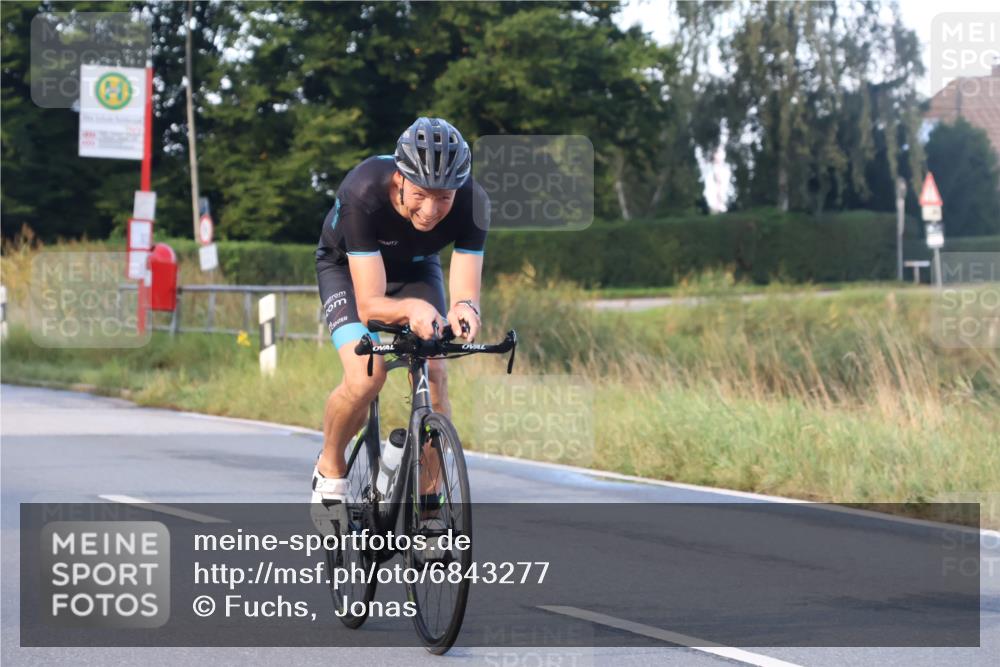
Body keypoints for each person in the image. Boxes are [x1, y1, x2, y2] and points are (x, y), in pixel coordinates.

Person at [311, 117, 488, 517]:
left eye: (444, 198)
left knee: (436, 372)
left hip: (417, 269)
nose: (431, 211)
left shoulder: (473, 202)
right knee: (366, 376)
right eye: (421, 194)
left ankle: (428, 510)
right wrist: (411, 309)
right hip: (346, 270)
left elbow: (466, 293)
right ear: (399, 179)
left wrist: (465, 309)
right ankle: (330, 468)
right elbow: (370, 304)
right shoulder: (363, 191)